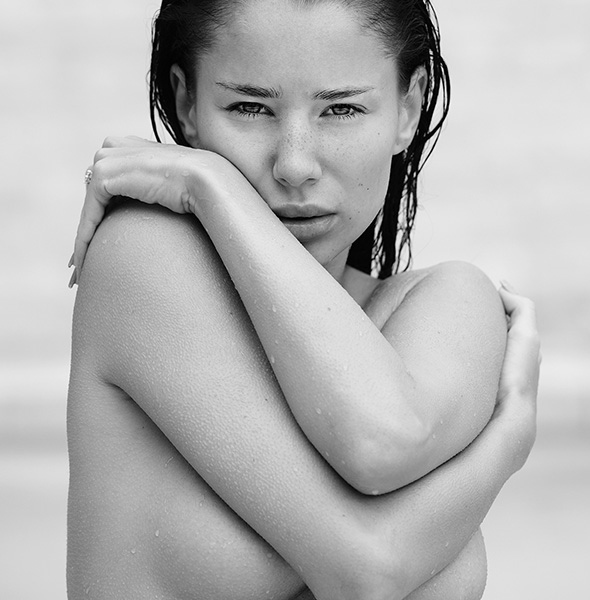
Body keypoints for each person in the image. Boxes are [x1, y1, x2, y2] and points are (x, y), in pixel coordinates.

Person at [67, 1, 540, 598]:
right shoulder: (143, 255)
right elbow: (369, 568)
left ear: (409, 106)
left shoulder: (444, 306)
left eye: (341, 108)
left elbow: (384, 440)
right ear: (187, 105)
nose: (293, 165)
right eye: (248, 107)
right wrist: (508, 438)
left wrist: (208, 184)